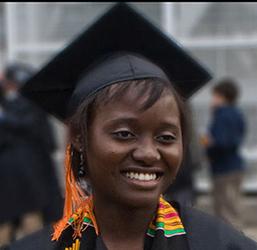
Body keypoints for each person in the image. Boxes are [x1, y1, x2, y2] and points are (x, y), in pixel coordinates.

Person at [3, 3, 257, 250]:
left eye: (166, 137)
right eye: (124, 134)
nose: (148, 153)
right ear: (80, 136)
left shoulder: (223, 244)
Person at [0, 63, 63, 247]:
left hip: (27, 175)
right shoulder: (22, 105)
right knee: (23, 218)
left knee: (27, 217)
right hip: (22, 175)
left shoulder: (23, 106)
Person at [201, 78, 246, 229]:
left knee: (226, 212)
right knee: (233, 207)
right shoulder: (237, 113)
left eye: (214, 96)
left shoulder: (222, 115)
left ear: (221, 96)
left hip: (223, 169)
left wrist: (207, 142)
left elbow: (222, 142)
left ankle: (232, 243)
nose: (212, 100)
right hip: (235, 166)